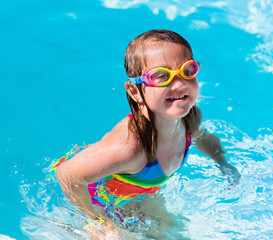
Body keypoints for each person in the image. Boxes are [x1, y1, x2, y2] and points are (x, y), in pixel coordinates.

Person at [54, 29, 240, 237]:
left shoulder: (189, 120)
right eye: (161, 76)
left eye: (187, 71)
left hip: (136, 195)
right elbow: (67, 175)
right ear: (135, 92)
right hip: (92, 200)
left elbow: (203, 137)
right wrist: (97, 221)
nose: (179, 83)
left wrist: (222, 162)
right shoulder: (129, 148)